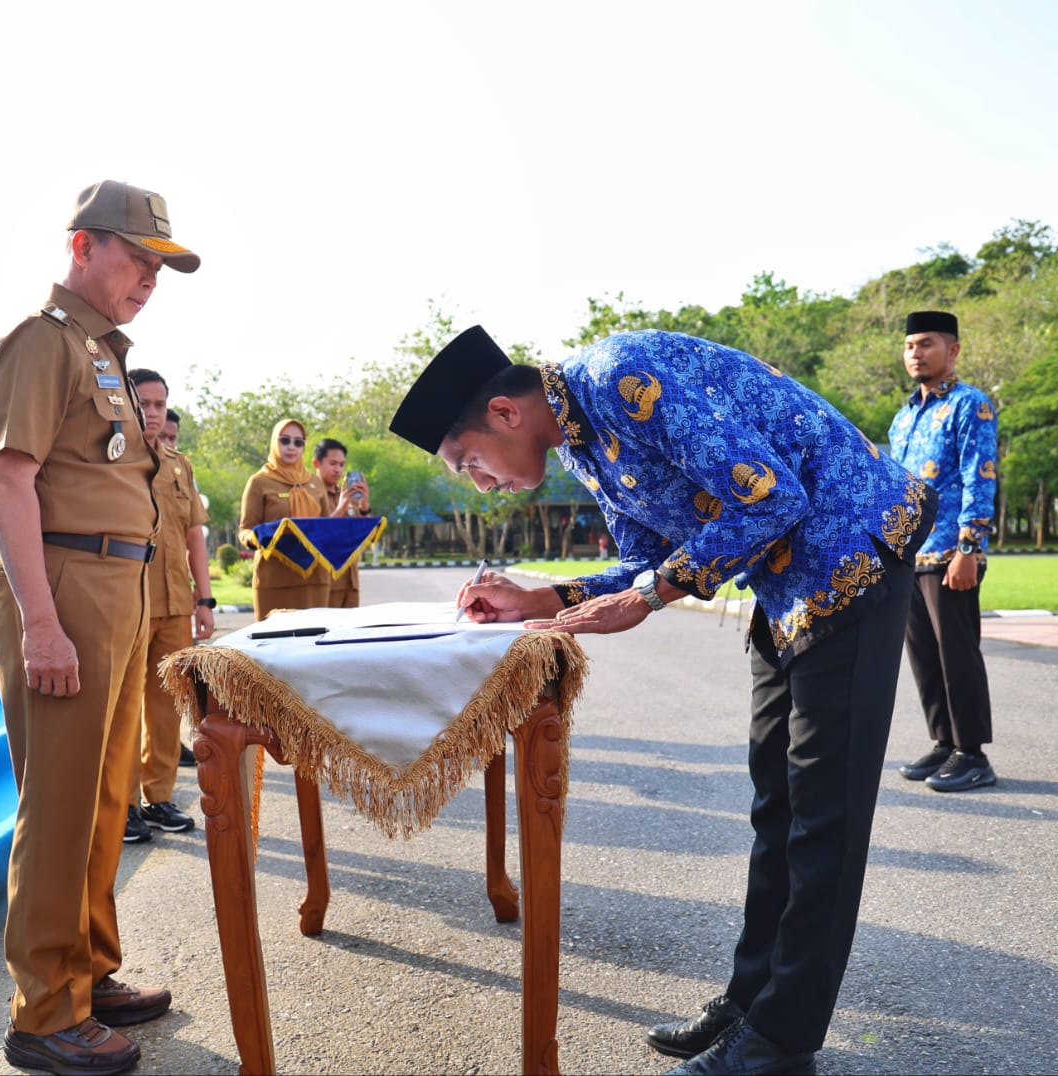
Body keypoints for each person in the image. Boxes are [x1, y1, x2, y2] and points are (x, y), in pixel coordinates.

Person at [391, 326, 934, 1076]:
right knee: (777, 802)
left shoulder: (620, 378)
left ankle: (781, 1043)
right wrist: (544, 598)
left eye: (468, 462)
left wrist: (649, 598)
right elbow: (648, 561)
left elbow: (772, 496)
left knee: (823, 815)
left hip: (851, 550)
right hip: (785, 581)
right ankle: (752, 1001)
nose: (479, 484)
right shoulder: (580, 440)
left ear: (504, 413)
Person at [0, 179, 199, 1076]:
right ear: (83, 246)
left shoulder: (103, 353)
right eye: (137, 258)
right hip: (63, 587)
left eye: (160, 267)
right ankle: (44, 1015)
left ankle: (87, 974)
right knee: (61, 808)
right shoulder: (42, 343)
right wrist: (41, 622)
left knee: (107, 801)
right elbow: (9, 480)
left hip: (119, 586)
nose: (150, 278)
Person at [887, 311, 1000, 792]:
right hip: (909, 555)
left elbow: (980, 476)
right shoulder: (904, 416)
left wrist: (969, 547)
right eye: (910, 345)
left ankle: (971, 753)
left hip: (952, 552)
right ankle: (943, 741)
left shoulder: (970, 405)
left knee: (957, 653)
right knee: (923, 655)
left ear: (952, 350)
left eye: (927, 343)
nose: (916, 352)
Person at [121, 368, 215, 843]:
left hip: (175, 601)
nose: (153, 413)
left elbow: (193, 535)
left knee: (165, 708)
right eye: (144, 403)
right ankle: (123, 806)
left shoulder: (179, 464)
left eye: (159, 404)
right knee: (123, 710)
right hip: (126, 601)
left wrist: (205, 598)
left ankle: (158, 797)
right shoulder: (111, 458)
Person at [238, 418, 331, 620]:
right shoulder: (259, 481)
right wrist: (259, 537)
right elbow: (245, 529)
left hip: (315, 579)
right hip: (274, 579)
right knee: (273, 637)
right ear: (274, 442)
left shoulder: (315, 482)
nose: (291, 447)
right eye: (285, 440)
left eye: (298, 442)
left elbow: (327, 527)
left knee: (315, 636)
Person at [313, 436, 371, 608]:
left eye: (341, 464)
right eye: (333, 464)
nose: (338, 469)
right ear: (316, 463)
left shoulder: (346, 495)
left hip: (350, 582)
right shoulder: (308, 494)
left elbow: (366, 537)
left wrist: (364, 504)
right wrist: (340, 509)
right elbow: (314, 535)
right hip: (325, 583)